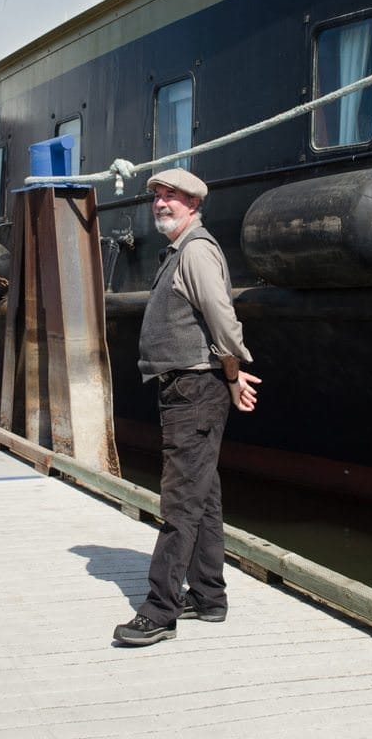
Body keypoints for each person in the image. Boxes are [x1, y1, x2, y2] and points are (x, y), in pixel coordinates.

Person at [113, 168, 260, 647]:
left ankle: (160, 610)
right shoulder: (180, 250)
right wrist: (229, 378)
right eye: (157, 197)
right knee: (204, 495)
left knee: (180, 499)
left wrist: (233, 374)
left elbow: (222, 318)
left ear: (193, 204)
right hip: (191, 388)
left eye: (171, 197)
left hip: (194, 391)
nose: (161, 204)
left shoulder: (195, 250)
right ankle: (209, 595)